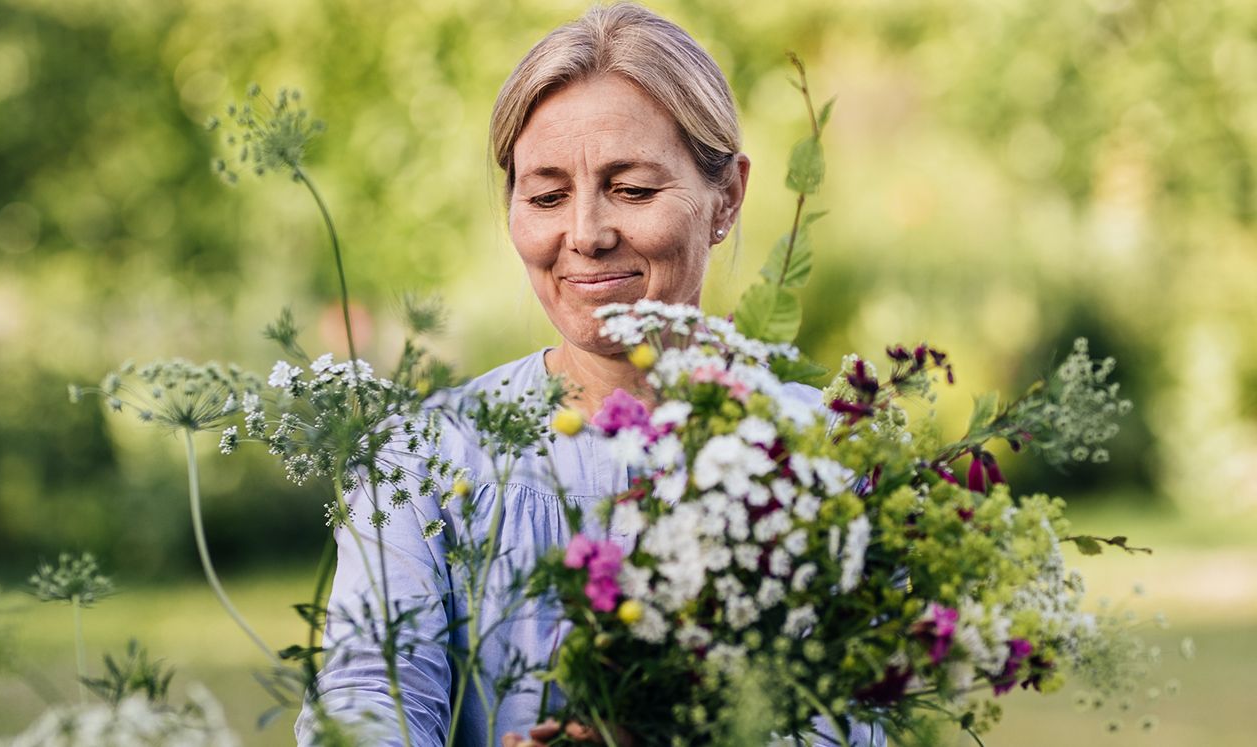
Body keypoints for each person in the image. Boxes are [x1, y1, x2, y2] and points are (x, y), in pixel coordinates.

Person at [297, 4, 883, 745]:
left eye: (633, 189)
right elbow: (366, 696)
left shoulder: (828, 456)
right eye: (545, 196)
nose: (585, 234)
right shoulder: (424, 456)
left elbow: (868, 715)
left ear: (727, 196)